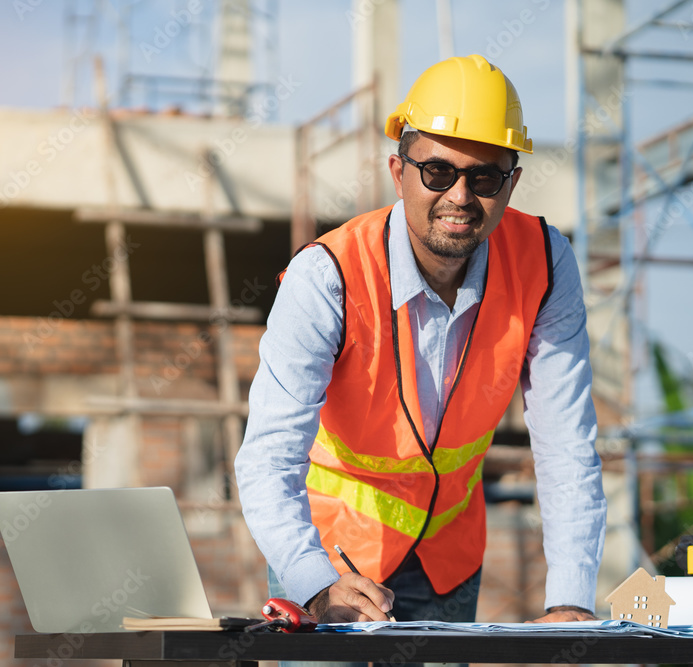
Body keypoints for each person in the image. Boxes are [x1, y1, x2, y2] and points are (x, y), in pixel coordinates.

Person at [235, 55, 607, 630]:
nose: (460, 195)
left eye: (484, 177)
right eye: (437, 171)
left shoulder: (547, 263)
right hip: (333, 560)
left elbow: (566, 444)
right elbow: (267, 458)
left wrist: (571, 600)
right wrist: (312, 584)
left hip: (448, 560)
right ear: (398, 170)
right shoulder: (327, 276)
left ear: (512, 182)